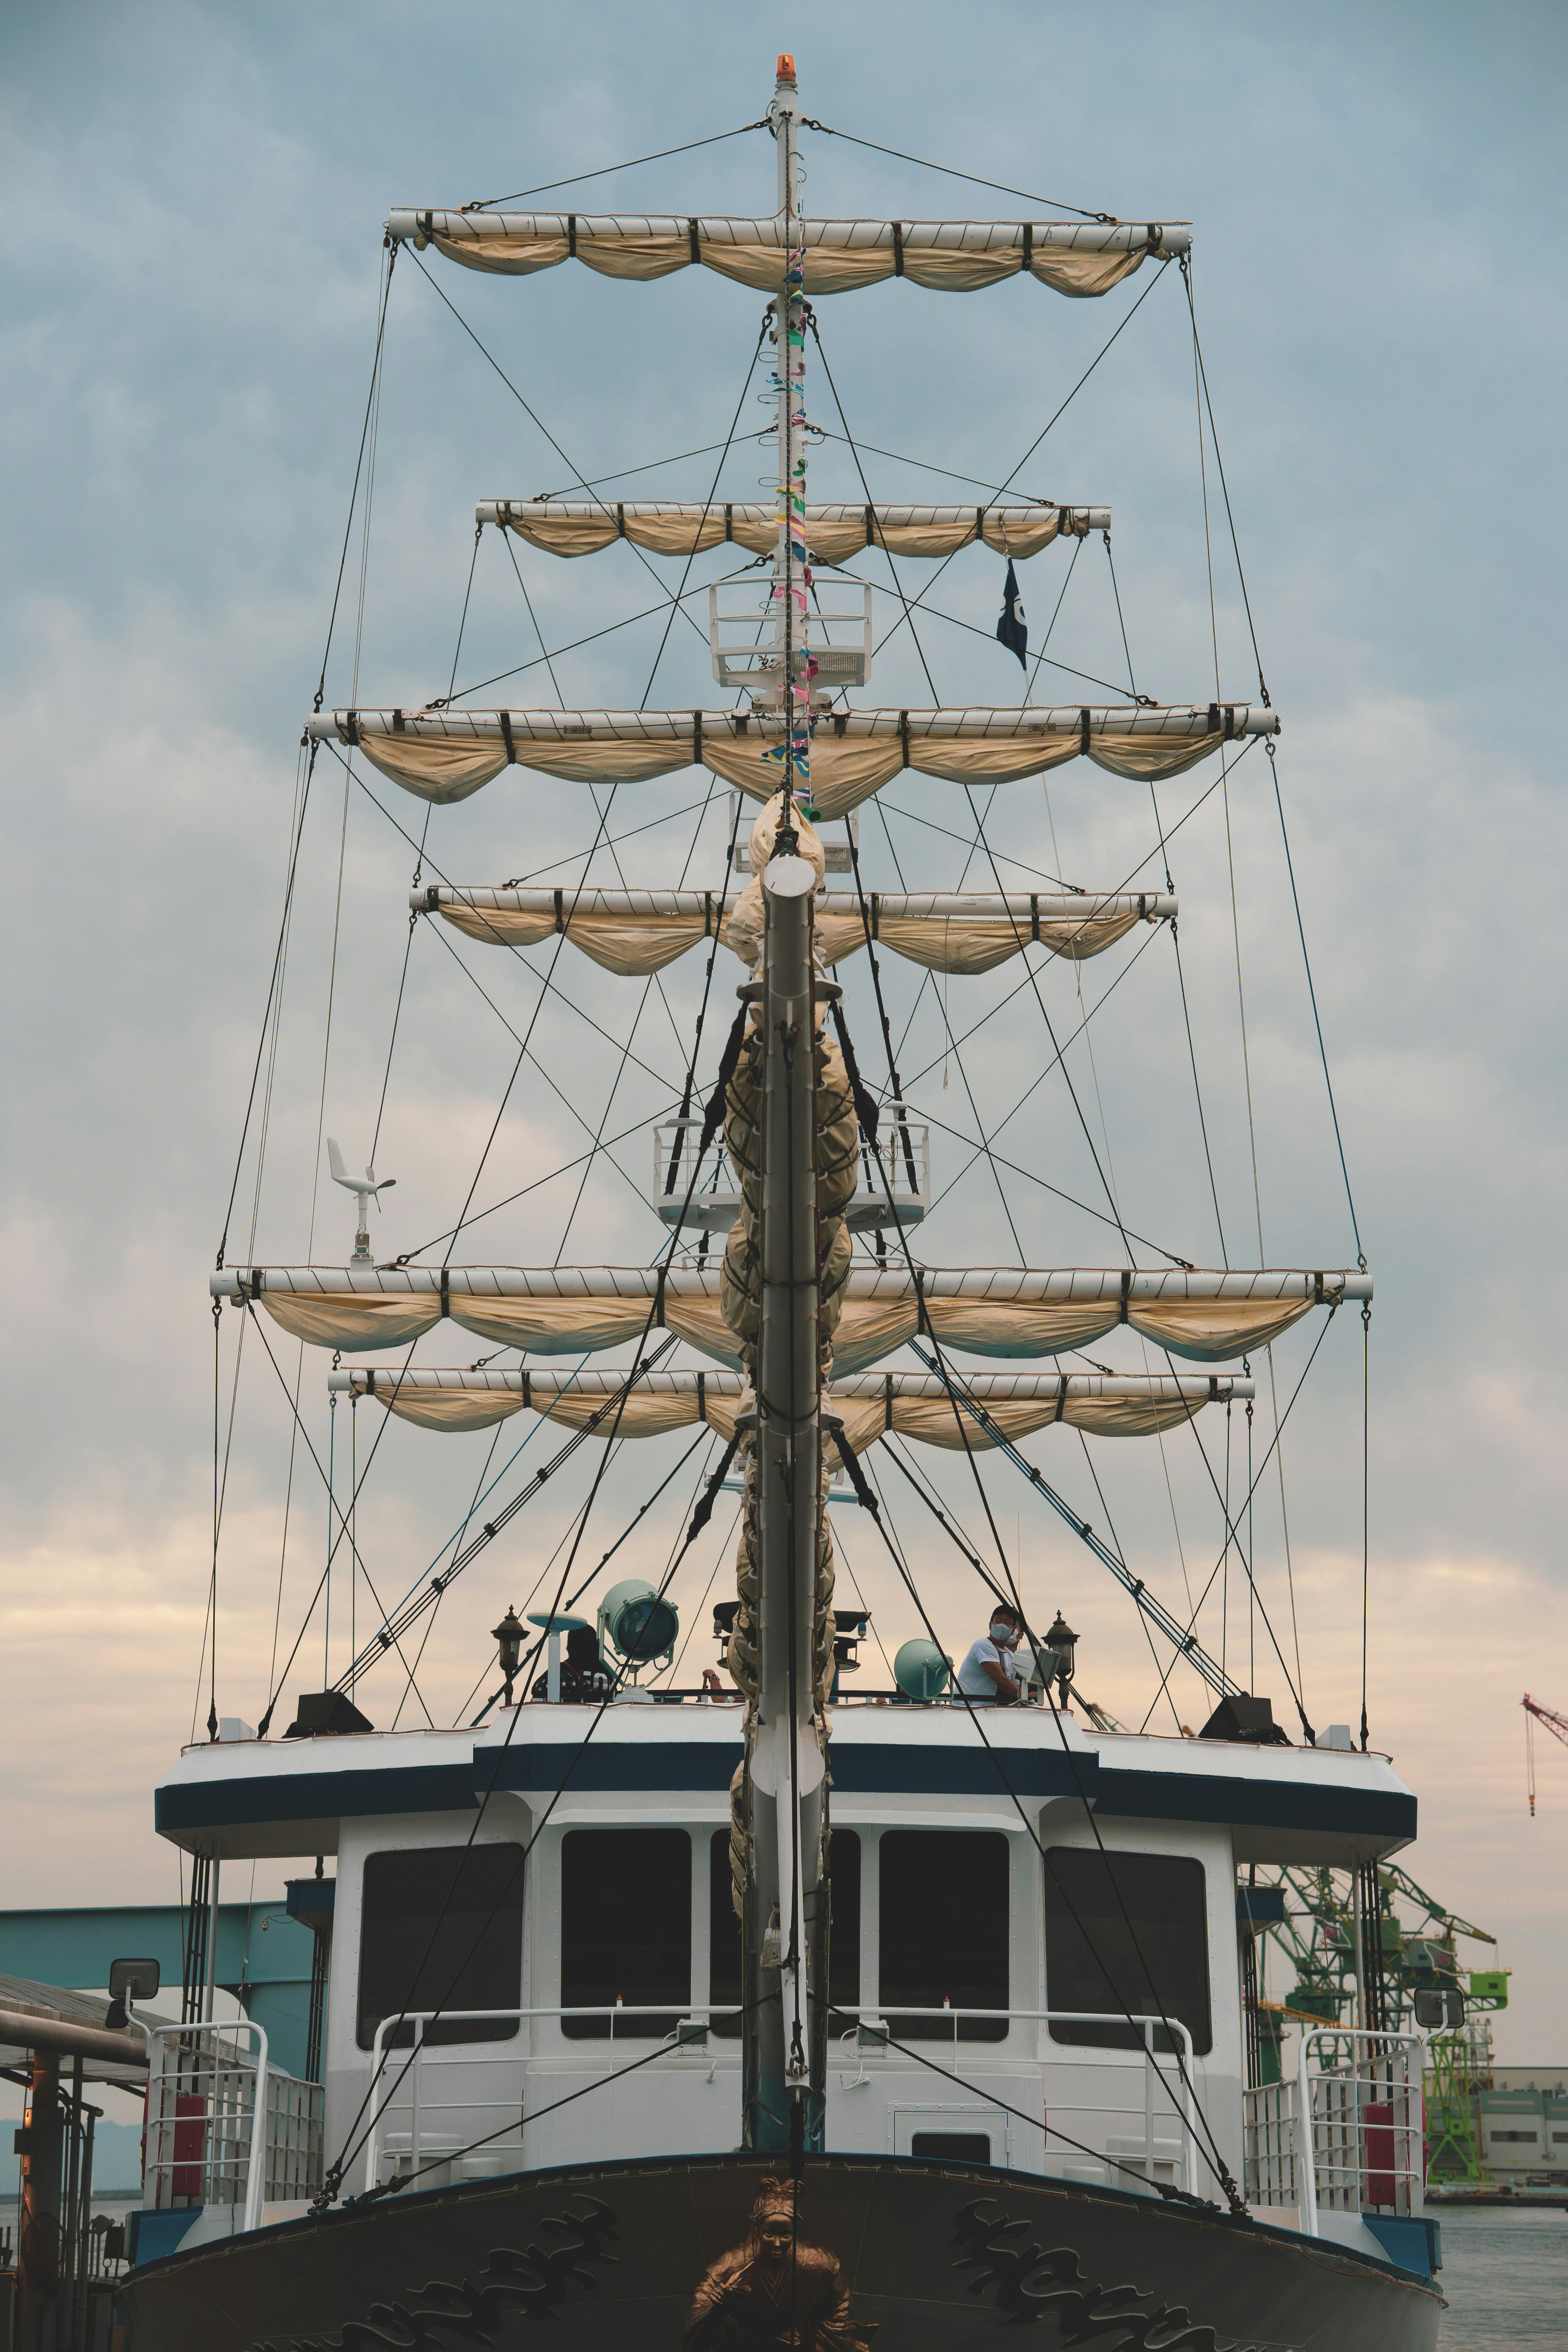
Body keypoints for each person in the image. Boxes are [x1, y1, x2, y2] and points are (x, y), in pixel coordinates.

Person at [684, 2174, 875, 2352]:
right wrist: (716, 2308)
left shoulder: (817, 2261)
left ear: (796, 2230)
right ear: (755, 2228)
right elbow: (698, 2309)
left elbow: (839, 2302)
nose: (777, 2244)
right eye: (769, 2234)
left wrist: (827, 2335)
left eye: (786, 2235)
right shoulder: (731, 2262)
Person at [955, 1604, 1025, 1703]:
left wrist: (1025, 1696)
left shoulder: (1011, 1657)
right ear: (990, 1626)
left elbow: (1015, 1688)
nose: (1002, 1625)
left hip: (988, 1711)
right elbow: (1000, 1680)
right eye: (998, 1621)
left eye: (1007, 1623)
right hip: (966, 1709)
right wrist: (1026, 1696)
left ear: (1013, 1630)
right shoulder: (983, 1645)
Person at [530, 1624, 614, 1704]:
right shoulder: (607, 1672)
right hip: (600, 1717)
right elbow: (614, 1698)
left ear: (570, 1647)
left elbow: (536, 1691)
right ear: (596, 1646)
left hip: (562, 1716)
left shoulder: (557, 1670)